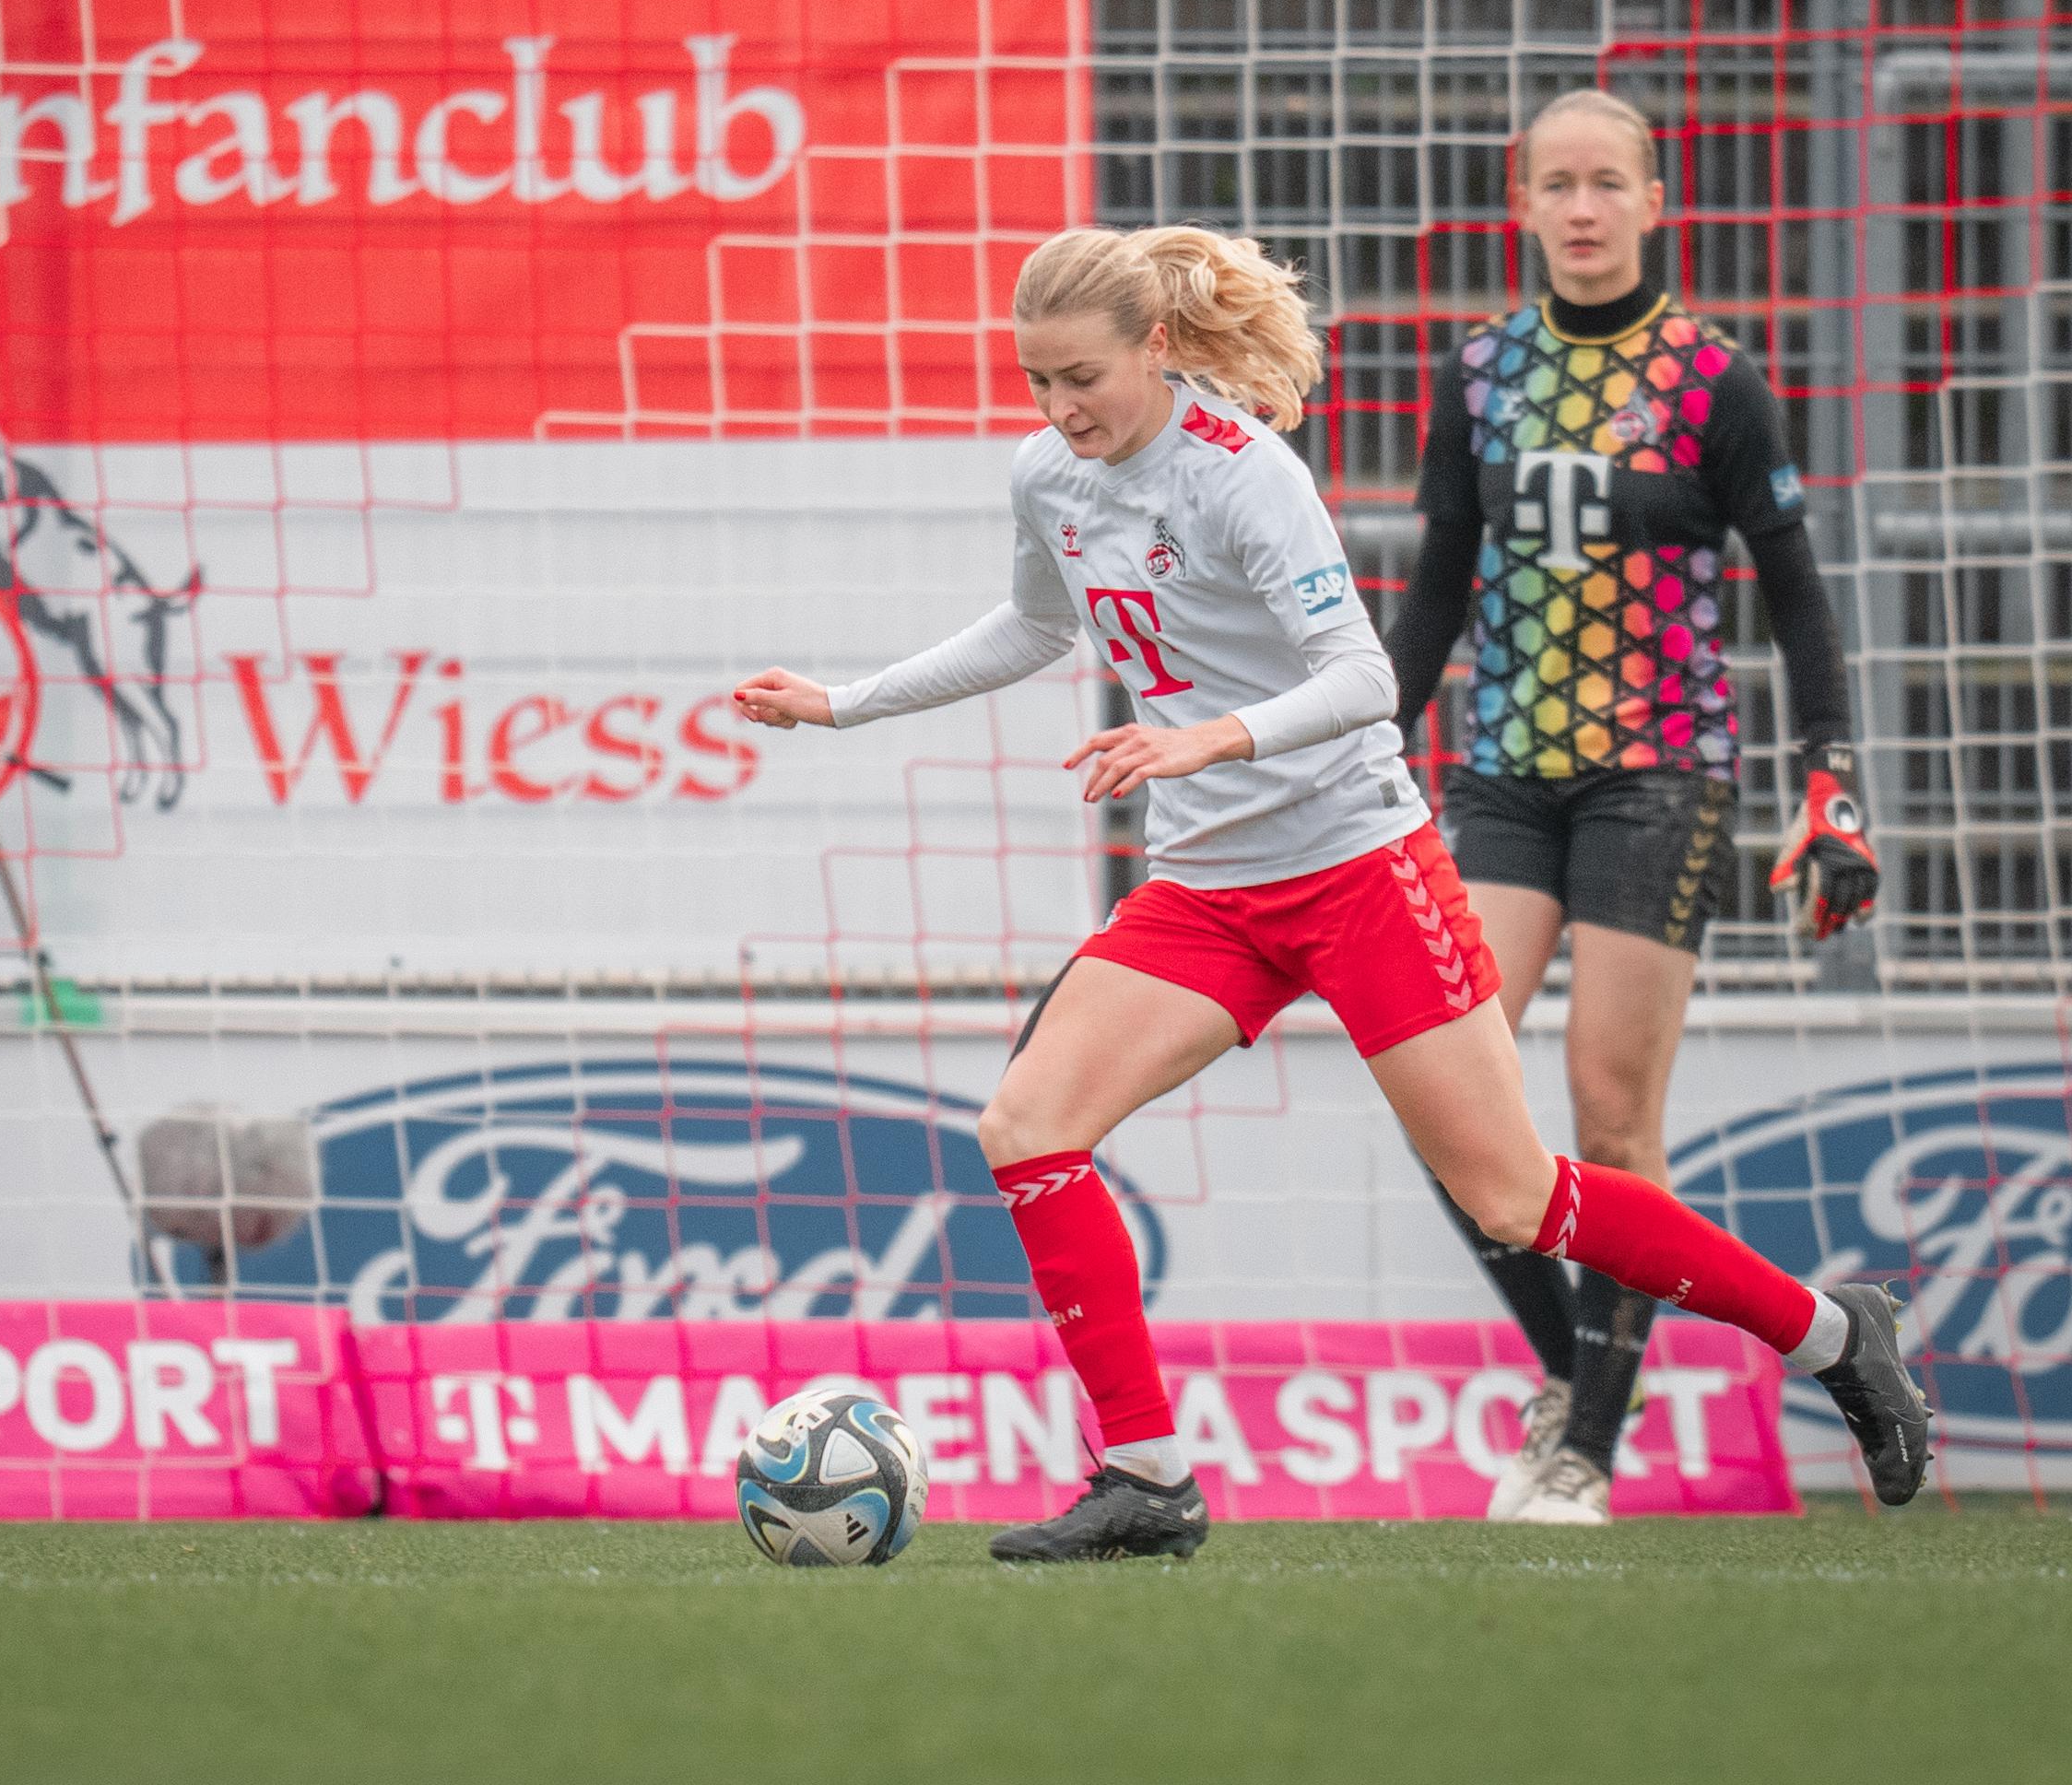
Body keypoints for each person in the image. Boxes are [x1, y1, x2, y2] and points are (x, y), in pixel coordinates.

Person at [731, 222, 1925, 1561]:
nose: (1062, 410)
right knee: (1028, 1125)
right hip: (1209, 890)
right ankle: (1146, 1476)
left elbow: (1363, 677)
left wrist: (1210, 735)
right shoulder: (1049, 477)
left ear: (1159, 348)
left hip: (1358, 868)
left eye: (1084, 378)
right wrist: (845, 704)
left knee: (1515, 1198)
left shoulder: (1247, 477)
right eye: (1037, 383)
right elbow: (1039, 627)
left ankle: (1835, 1332)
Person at [1384, 88, 1884, 1525]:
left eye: (1609, 183)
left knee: (1611, 1117)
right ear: (1523, 202)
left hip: (1663, 777)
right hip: (1501, 776)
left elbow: (1795, 593)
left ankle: (1584, 1451)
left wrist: (1830, 773)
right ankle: (1581, 1366)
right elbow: (1432, 598)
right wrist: (1365, 739)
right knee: (1443, 1092)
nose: (1585, 209)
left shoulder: (1716, 381)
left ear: (1654, 201)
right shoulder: (1479, 371)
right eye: (1560, 185)